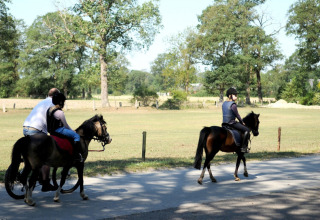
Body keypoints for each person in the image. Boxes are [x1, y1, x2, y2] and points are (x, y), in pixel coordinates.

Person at [23, 88, 60, 192]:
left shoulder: (43, 101)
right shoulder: (53, 104)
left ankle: (27, 173)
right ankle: (46, 183)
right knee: (46, 156)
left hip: (26, 128)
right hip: (37, 130)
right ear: (57, 96)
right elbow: (53, 122)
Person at [46, 93, 83, 162]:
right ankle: (76, 155)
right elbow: (66, 125)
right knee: (76, 136)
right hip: (59, 130)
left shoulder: (49, 110)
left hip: (51, 131)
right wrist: (72, 131)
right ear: (61, 102)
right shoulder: (60, 113)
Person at [222, 87, 250, 153]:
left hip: (224, 123)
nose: (236, 97)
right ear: (230, 95)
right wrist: (242, 122)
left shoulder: (224, 103)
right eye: (235, 95)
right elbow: (237, 115)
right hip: (232, 123)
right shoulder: (233, 104)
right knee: (247, 130)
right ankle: (244, 147)